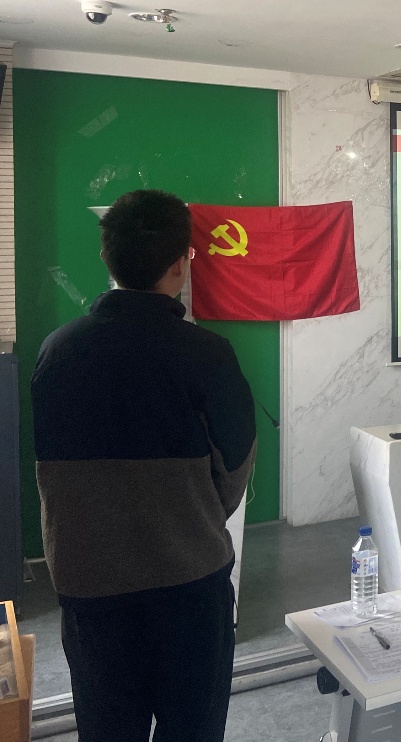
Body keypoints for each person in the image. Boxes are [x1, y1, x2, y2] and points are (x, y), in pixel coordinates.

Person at [32, 189, 257, 742]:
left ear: (105, 257)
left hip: (93, 597)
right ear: (180, 264)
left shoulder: (56, 352)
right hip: (190, 590)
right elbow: (234, 472)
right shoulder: (208, 353)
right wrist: (186, 517)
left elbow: (53, 476)